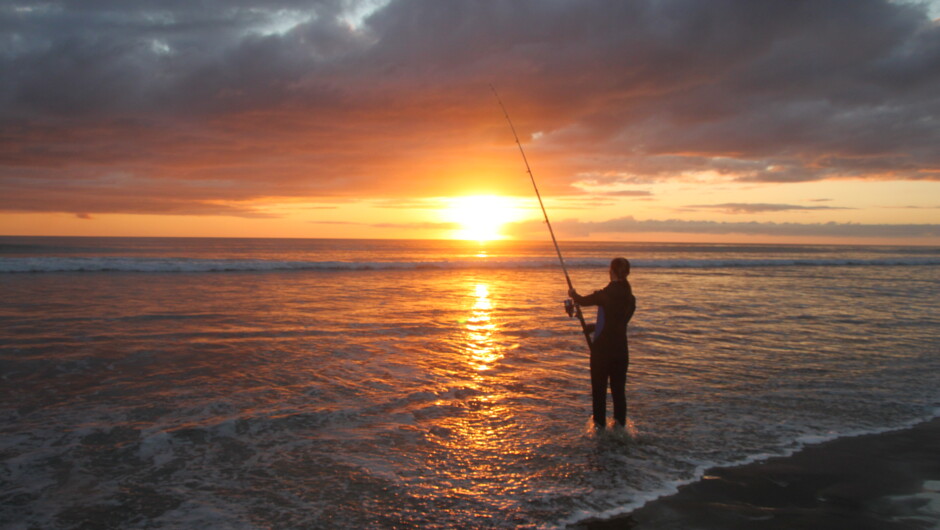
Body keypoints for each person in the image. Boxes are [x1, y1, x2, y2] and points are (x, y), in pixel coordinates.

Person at [568, 257, 636, 429]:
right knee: (619, 392)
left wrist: (573, 294)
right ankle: (620, 429)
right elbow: (618, 323)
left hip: (602, 351)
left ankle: (599, 430)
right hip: (621, 350)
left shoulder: (605, 295)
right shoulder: (631, 299)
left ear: (611, 271)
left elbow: (582, 301)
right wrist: (594, 326)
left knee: (599, 392)